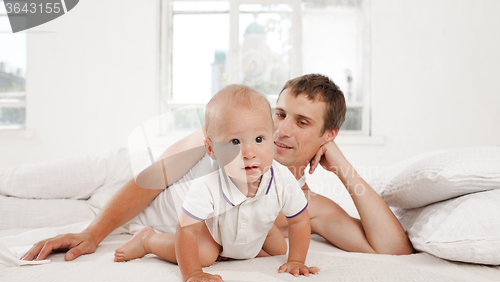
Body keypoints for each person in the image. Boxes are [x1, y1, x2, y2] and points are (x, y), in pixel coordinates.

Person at [21, 73, 413, 266]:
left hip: (131, 219)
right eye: (280, 114)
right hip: (119, 183)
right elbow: (152, 178)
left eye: (303, 122)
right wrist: (92, 235)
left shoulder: (305, 204)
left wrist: (342, 166)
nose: (282, 129)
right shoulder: (230, 136)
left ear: (329, 134)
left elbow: (394, 251)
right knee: (17, 184)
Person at [113, 85, 318, 282]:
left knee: (279, 249)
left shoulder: (282, 178)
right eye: (235, 142)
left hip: (257, 229)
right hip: (215, 231)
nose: (249, 153)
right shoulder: (207, 185)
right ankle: (148, 240)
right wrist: (193, 272)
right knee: (204, 255)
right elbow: (187, 230)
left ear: (272, 138)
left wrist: (296, 261)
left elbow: (300, 221)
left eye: (259, 139)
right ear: (212, 149)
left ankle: (233, 248)